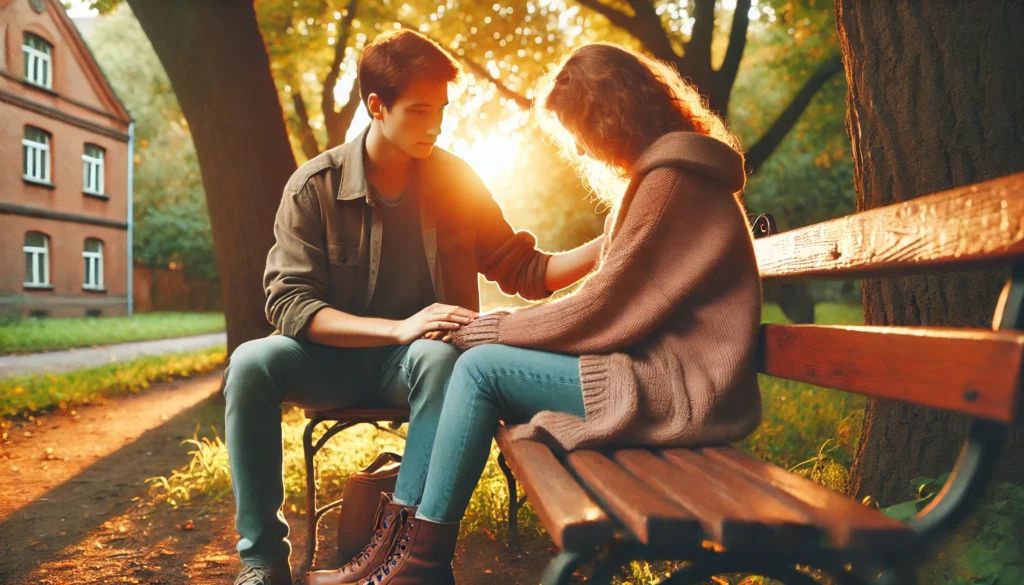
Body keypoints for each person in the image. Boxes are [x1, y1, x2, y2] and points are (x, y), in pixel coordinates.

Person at [308, 41, 764, 585]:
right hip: (664, 373)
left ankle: (417, 561)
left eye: (580, 131)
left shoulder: (671, 184)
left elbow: (601, 310)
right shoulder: (666, 178)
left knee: (480, 368)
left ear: (610, 118)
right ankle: (406, 554)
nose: (583, 149)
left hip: (680, 390)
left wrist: (484, 329)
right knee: (481, 364)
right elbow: (611, 303)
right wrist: (494, 330)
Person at [227, 29, 605, 585]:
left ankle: (404, 554)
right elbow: (290, 304)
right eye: (420, 111)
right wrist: (398, 328)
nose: (435, 125)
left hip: (416, 368)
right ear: (377, 106)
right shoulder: (314, 187)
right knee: (249, 363)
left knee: (439, 357)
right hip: (325, 361)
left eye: (442, 110)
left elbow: (525, 268)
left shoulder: (456, 179)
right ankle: (261, 560)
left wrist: (614, 241)